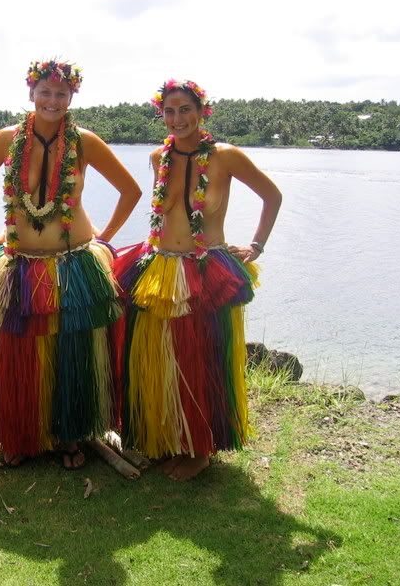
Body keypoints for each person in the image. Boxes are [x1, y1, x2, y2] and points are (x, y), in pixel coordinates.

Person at [0, 60, 141, 469]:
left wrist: (104, 239)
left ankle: (69, 435)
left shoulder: (85, 142)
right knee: (18, 353)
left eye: (61, 93)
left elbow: (130, 190)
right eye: (45, 91)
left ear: (71, 98)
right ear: (31, 93)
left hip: (73, 262)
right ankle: (20, 436)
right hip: (20, 263)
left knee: (72, 353)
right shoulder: (6, 139)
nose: (52, 100)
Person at [114, 79, 282, 480]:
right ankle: (162, 435)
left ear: (201, 111)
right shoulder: (159, 157)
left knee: (199, 358)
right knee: (157, 356)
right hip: (158, 265)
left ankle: (198, 447)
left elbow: (272, 196)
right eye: (169, 111)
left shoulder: (225, 156)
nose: (178, 118)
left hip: (204, 268)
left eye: (185, 109)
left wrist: (256, 245)